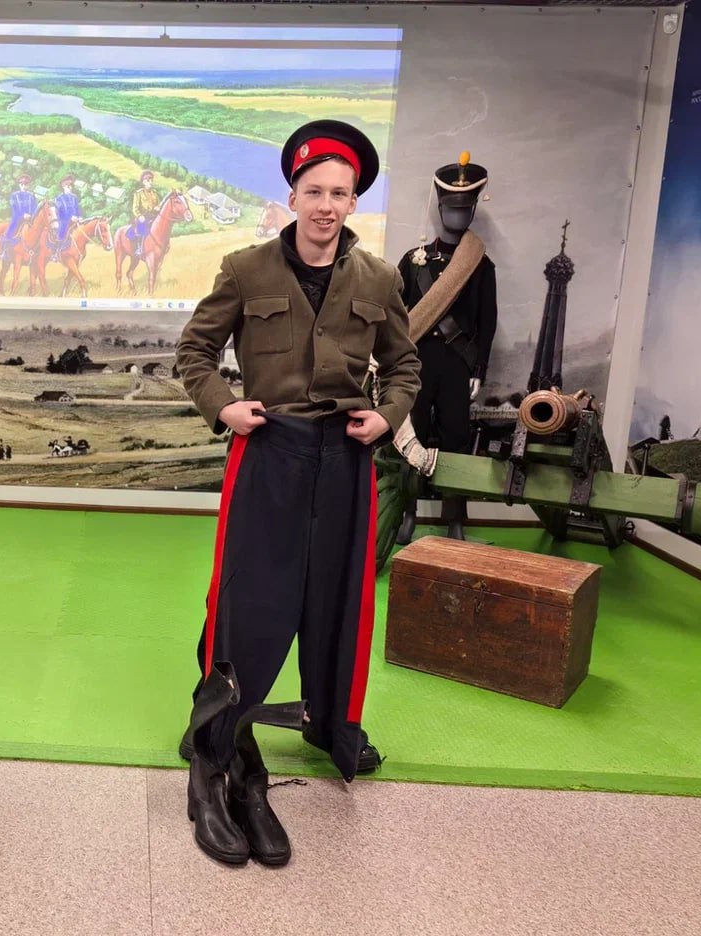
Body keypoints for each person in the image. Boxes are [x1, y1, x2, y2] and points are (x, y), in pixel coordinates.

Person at [174, 120, 421, 867]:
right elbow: (194, 351)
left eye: (339, 194)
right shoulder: (246, 269)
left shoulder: (378, 280)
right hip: (271, 451)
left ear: (353, 202)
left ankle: (329, 726)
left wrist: (389, 415)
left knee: (337, 602)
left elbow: (404, 366)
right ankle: (215, 749)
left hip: (344, 459)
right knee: (249, 606)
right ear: (292, 196)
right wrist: (223, 406)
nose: (325, 206)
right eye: (314, 191)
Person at [396, 153, 497, 544]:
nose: (458, 215)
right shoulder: (414, 261)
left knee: (457, 439)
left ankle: (455, 516)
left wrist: (479, 370)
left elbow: (487, 323)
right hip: (416, 363)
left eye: (464, 208)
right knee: (412, 435)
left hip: (457, 365)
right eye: (452, 208)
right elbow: (395, 317)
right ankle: (407, 513)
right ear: (440, 208)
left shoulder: (481, 267)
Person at [3, 175, 38, 261]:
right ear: (19, 185)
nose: (24, 186)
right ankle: (5, 251)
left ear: (28, 185)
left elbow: (35, 207)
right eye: (22, 184)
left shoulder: (31, 196)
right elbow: (14, 208)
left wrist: (31, 215)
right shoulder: (14, 195)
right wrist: (23, 215)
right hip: (18, 217)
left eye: (26, 184)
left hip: (30, 218)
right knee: (10, 230)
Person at [129, 170, 160, 258]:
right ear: (143, 182)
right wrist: (139, 216)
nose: (150, 182)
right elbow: (135, 208)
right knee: (141, 225)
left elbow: (158, 204)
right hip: (143, 216)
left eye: (151, 180)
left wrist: (158, 208)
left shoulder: (155, 193)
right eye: (148, 180)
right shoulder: (138, 193)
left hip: (153, 215)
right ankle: (139, 247)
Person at [51, 175, 82, 261]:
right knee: (61, 232)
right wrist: (70, 218)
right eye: (68, 186)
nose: (70, 188)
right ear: (63, 187)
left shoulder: (74, 197)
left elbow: (77, 209)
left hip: (75, 221)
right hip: (64, 220)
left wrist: (80, 217)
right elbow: (59, 212)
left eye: (71, 186)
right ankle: (56, 253)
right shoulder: (59, 198)